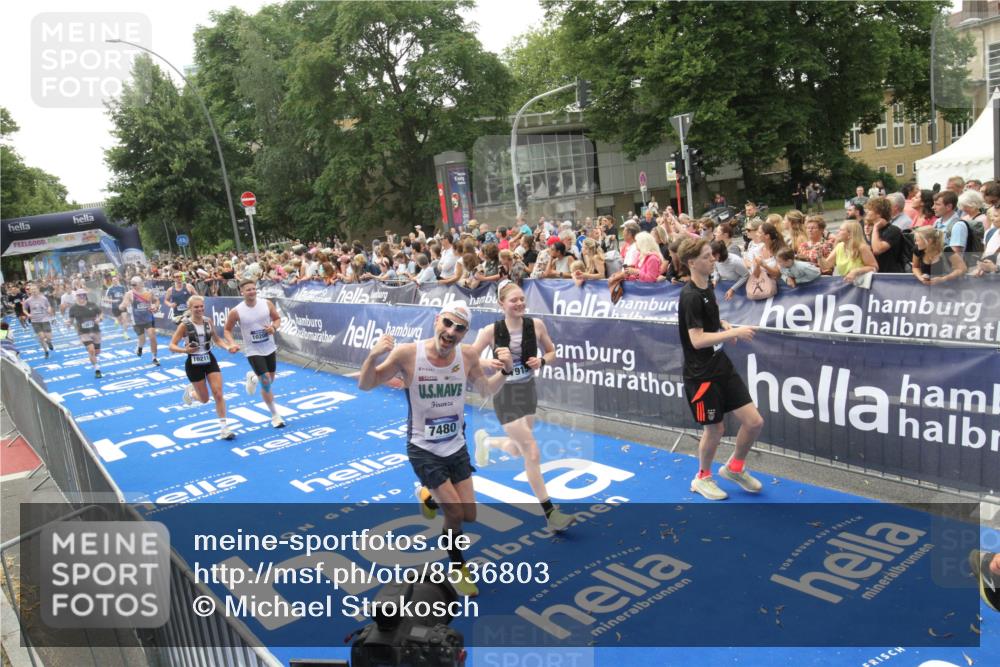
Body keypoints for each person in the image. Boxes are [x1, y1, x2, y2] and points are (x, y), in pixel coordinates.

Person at [357, 301, 513, 597]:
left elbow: (485, 390)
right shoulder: (407, 353)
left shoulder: (467, 355)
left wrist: (505, 370)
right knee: (454, 512)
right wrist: (373, 356)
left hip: (456, 444)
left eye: (460, 328)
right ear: (437, 321)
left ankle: (428, 496)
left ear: (465, 333)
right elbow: (366, 384)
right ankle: (457, 567)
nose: (451, 332)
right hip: (423, 447)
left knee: (470, 516)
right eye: (448, 324)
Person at [470, 282, 574, 531]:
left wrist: (542, 361)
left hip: (528, 390)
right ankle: (550, 513)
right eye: (513, 300)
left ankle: (486, 442)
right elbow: (470, 356)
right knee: (532, 451)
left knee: (516, 450)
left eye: (521, 299)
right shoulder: (491, 331)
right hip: (504, 394)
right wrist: (492, 362)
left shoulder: (535, 326)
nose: (518, 304)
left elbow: (552, 352)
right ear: (501, 304)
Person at [677, 238, 764, 501]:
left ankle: (734, 468)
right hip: (701, 374)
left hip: (721, 366)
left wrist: (723, 324)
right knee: (715, 430)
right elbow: (697, 339)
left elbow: (708, 324)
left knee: (754, 422)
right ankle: (702, 477)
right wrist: (734, 332)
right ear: (692, 263)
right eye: (706, 256)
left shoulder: (707, 287)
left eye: (712, 255)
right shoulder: (691, 295)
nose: (713, 259)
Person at [168, 296, 238, 440]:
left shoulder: (208, 321)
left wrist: (228, 347)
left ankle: (224, 428)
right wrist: (185, 351)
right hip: (193, 364)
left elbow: (217, 339)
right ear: (190, 308)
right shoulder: (184, 325)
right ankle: (191, 393)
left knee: (218, 393)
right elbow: (171, 346)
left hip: (208, 358)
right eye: (196, 307)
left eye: (201, 306)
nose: (199, 309)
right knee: (204, 399)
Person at [223, 279, 285, 428]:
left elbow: (277, 319)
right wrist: (231, 343)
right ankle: (275, 415)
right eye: (248, 290)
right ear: (242, 292)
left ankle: (252, 377)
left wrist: (273, 328)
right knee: (266, 383)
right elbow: (227, 330)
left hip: (269, 347)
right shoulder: (236, 311)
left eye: (253, 289)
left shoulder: (266, 304)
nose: (251, 292)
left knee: (269, 380)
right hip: (253, 350)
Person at [120, 276, 161, 366]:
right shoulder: (129, 294)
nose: (133, 286)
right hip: (137, 320)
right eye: (131, 284)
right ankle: (140, 347)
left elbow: (156, 300)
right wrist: (123, 305)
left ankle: (154, 357)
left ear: (141, 284)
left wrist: (155, 306)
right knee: (142, 339)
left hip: (148, 318)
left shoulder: (148, 292)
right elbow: (123, 303)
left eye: (135, 284)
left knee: (152, 336)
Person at [66, 289, 104, 378]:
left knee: (97, 351)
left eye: (83, 295)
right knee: (91, 350)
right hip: (83, 333)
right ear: (76, 296)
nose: (81, 297)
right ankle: (96, 368)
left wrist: (100, 319)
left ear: (85, 296)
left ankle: (93, 357)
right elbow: (71, 320)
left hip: (95, 331)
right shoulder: (73, 308)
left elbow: (101, 313)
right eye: (79, 295)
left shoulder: (92, 305)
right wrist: (68, 323)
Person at [867, 196, 907, 274]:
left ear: (879, 213)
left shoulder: (893, 230)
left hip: (891, 276)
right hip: (878, 274)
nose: (867, 212)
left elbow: (877, 250)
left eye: (870, 210)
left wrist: (875, 228)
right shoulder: (875, 231)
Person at [23, 284, 55, 358]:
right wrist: (28, 314)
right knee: (41, 337)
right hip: (35, 321)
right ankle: (46, 351)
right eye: (32, 289)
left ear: (38, 290)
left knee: (49, 337)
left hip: (45, 319)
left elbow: (48, 305)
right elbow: (24, 309)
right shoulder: (28, 300)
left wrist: (49, 309)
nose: (34, 290)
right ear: (30, 291)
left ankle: (49, 342)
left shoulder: (43, 298)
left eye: (35, 289)